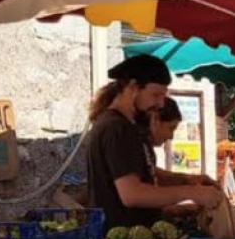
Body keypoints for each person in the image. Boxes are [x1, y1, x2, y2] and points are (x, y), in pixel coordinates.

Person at [87, 55, 221, 227]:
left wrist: (188, 180)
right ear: (133, 87)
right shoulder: (118, 128)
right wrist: (191, 192)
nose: (160, 103)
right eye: (155, 95)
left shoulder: (122, 124)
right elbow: (132, 195)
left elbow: (141, 170)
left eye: (163, 96)